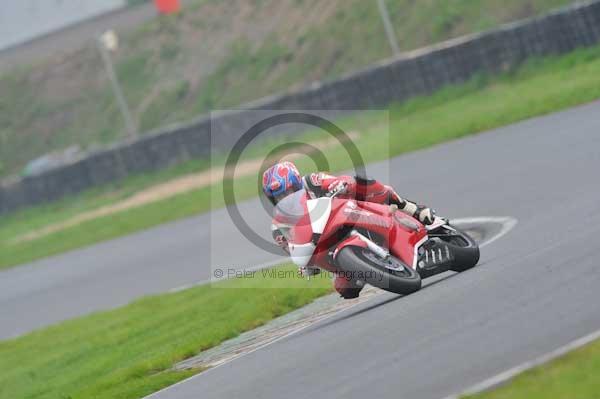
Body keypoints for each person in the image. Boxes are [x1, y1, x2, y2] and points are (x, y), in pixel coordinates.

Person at [263, 161, 435, 299]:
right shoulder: (280, 226)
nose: (285, 198)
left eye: (288, 192)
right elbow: (292, 247)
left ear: (297, 183)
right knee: (345, 289)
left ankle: (413, 209)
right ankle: (372, 264)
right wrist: (305, 264)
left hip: (347, 212)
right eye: (278, 197)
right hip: (327, 246)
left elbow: (339, 181)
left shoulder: (311, 181)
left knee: (366, 184)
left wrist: (340, 185)